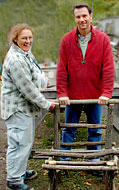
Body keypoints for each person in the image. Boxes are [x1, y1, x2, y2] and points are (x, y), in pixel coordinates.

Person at [1, 23, 58, 190]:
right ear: (16, 39)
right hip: (17, 109)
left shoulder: (25, 53)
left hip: (23, 108)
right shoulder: (16, 59)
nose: (27, 41)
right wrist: (47, 104)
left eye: (29, 38)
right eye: (23, 38)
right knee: (19, 144)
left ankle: (19, 171)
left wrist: (44, 80)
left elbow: (35, 73)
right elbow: (28, 89)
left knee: (24, 142)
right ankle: (14, 180)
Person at [56, 3, 114, 161]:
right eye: (78, 17)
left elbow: (108, 68)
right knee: (69, 128)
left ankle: (93, 158)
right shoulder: (67, 40)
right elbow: (61, 69)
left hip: (95, 95)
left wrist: (106, 93)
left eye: (84, 16)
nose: (81, 19)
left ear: (90, 16)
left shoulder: (103, 39)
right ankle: (64, 158)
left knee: (94, 129)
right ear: (75, 18)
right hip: (73, 96)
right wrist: (62, 93)